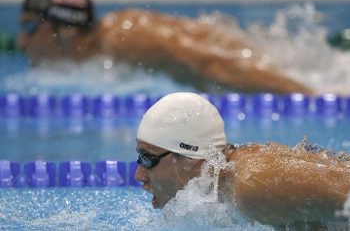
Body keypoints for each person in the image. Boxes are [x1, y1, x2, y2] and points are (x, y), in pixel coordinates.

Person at [17, 0, 313, 95]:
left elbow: (216, 66)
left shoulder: (126, 37)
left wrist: (310, 95)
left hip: (276, 69)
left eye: (30, 28)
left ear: (65, 28)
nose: (22, 42)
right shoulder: (96, 54)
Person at [134, 92, 350, 229]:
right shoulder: (223, 184)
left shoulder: (254, 184)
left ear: (191, 158)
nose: (139, 175)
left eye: (149, 159)